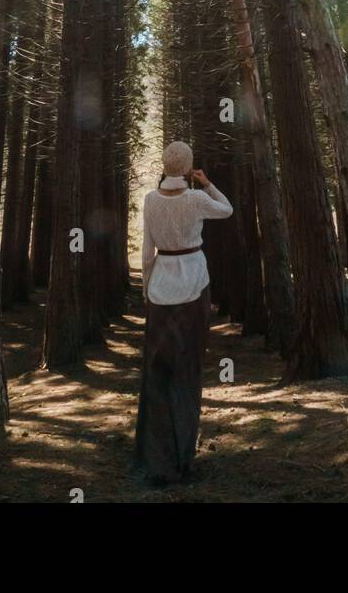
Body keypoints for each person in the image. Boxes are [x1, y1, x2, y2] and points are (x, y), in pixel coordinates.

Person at [133, 140, 233, 485]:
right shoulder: (196, 198)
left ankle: (156, 462)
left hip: (160, 289)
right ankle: (184, 461)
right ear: (188, 167)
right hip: (193, 286)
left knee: (157, 373)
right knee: (187, 373)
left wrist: (147, 288)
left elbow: (147, 251)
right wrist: (207, 183)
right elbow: (227, 210)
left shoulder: (149, 200)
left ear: (164, 166)